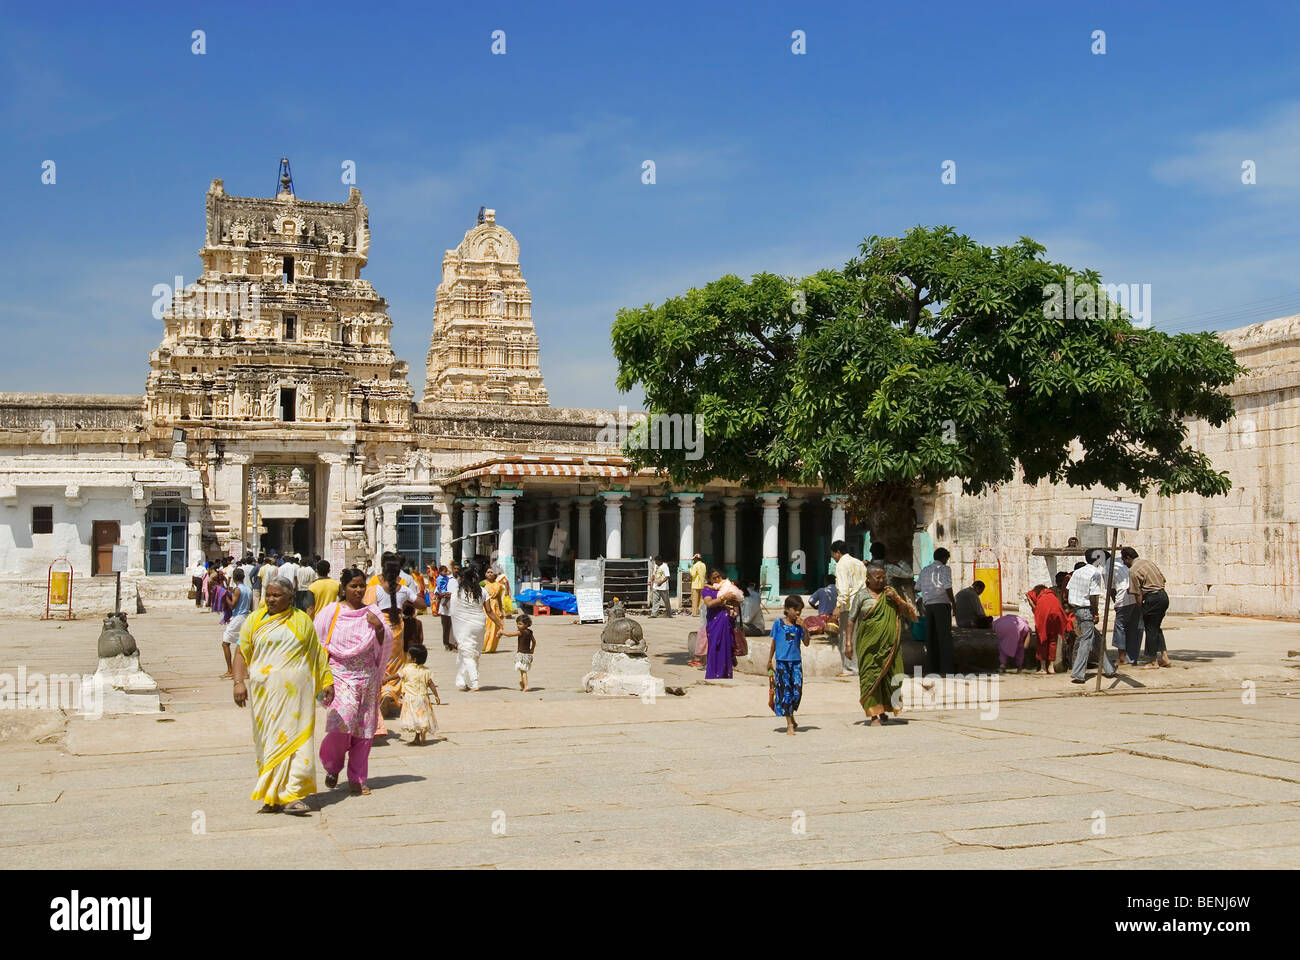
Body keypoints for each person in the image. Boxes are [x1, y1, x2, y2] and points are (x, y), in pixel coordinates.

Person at [232, 577, 333, 815]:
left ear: (290, 597)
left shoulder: (302, 622)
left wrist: (326, 681)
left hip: (297, 696)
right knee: (268, 743)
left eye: (276, 595)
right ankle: (272, 795)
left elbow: (317, 653)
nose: (270, 599)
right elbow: (240, 652)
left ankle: (292, 794)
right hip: (264, 695)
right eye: (268, 594)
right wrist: (238, 682)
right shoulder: (254, 621)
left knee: (296, 743)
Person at [316, 568, 391, 796]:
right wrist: (322, 679)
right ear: (344, 588)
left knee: (364, 729)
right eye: (353, 586)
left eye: (361, 586)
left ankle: (357, 778)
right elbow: (318, 642)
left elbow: (386, 641)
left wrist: (377, 626)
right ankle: (332, 764)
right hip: (340, 675)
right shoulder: (332, 611)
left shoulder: (373, 611)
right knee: (342, 722)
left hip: (367, 676)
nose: (358, 590)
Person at [848, 563, 916, 726]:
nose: (881, 580)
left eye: (883, 577)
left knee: (891, 677)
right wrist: (848, 643)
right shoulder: (861, 596)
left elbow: (911, 614)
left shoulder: (890, 593)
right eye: (877, 577)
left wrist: (896, 598)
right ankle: (873, 715)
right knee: (869, 677)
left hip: (889, 646)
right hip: (868, 646)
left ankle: (883, 708)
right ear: (868, 579)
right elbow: (851, 620)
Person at [374, 558, 424, 724]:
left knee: (380, 662)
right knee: (396, 664)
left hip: (380, 628)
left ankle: (382, 693)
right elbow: (422, 605)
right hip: (397, 629)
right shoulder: (403, 590)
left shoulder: (376, 590)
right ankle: (390, 692)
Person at [451, 565, 503, 691]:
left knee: (467, 653)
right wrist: (500, 624)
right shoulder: (482, 591)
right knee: (471, 652)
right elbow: (489, 611)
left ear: (463, 578)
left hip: (464, 626)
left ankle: (474, 682)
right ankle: (461, 682)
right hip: (479, 625)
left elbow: (452, 612)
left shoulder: (458, 592)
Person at [1067, 556, 1115, 683]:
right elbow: (1093, 596)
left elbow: (1069, 590)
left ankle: (1109, 669)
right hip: (1086, 609)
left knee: (1097, 639)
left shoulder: (1078, 572)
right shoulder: (1095, 573)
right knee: (1086, 641)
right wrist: (1096, 613)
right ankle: (1078, 673)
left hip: (1077, 609)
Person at [1123, 547, 1171, 668]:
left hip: (1152, 599)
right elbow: (1163, 579)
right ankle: (1165, 657)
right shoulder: (1148, 563)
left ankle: (1153, 661)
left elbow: (1137, 593)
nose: (1124, 563)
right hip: (1163, 596)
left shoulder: (1133, 570)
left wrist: (1141, 608)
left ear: (1128, 558)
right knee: (1155, 628)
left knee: (1150, 629)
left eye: (1124, 560)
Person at [768, 595, 809, 735]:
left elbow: (807, 643)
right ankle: (789, 724)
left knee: (796, 692)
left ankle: (792, 717)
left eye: (800, 610)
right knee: (785, 692)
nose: (797, 613)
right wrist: (769, 661)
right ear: (787, 609)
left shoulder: (799, 627)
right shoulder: (778, 624)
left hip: (796, 663)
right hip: (782, 664)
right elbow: (773, 643)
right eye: (794, 609)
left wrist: (805, 628)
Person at [829, 540, 867, 677]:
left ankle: (850, 668)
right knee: (860, 636)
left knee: (847, 636)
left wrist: (838, 606)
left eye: (833, 554)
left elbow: (844, 589)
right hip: (862, 603)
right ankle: (861, 666)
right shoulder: (859, 563)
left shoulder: (841, 565)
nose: (833, 557)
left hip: (849, 605)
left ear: (837, 553)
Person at [918, 547, 957, 675]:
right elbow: (947, 586)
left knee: (931, 637)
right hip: (941, 605)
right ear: (944, 558)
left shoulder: (924, 570)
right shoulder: (945, 569)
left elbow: (917, 587)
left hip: (928, 606)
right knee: (944, 637)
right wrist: (954, 603)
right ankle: (946, 668)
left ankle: (931, 667)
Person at [398, 644, 439, 745]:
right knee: (421, 716)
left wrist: (385, 679)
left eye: (408, 656)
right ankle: (418, 737)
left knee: (414, 718)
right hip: (423, 698)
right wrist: (436, 696)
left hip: (411, 699)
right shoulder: (426, 671)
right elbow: (431, 684)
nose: (407, 657)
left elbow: (396, 676)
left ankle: (420, 735)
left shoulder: (407, 669)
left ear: (413, 659)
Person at [700, 568, 736, 679]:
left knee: (726, 648)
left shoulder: (726, 587)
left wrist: (732, 598)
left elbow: (736, 603)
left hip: (726, 622)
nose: (716, 579)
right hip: (715, 622)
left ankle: (725, 674)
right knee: (715, 647)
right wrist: (723, 598)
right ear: (709, 579)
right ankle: (713, 675)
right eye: (713, 578)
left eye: (718, 577)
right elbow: (709, 603)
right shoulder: (707, 590)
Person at [1109, 552, 1143, 666]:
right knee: (1134, 628)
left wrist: (1116, 603)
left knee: (1120, 627)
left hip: (1123, 599)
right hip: (1136, 596)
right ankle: (1132, 658)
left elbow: (1111, 589)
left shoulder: (1108, 566)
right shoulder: (1124, 563)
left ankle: (1122, 657)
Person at [220, 567, 254, 679]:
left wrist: (225, 597)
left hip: (238, 617)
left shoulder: (237, 589)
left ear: (234, 578)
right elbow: (251, 607)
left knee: (225, 643)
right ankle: (245, 671)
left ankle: (230, 670)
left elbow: (233, 605)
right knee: (242, 644)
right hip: (246, 617)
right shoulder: (249, 589)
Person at [1026, 584, 1065, 674]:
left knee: (1042, 639)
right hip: (1056, 615)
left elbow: (1035, 608)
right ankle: (1051, 667)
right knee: (1053, 640)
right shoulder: (1051, 595)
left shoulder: (1035, 594)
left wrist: (1030, 601)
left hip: (1044, 614)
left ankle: (1043, 668)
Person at [504, 613, 537, 691]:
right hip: (528, 654)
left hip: (522, 654)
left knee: (523, 671)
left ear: (526, 624)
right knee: (523, 670)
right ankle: (523, 683)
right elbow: (534, 642)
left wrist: (502, 632)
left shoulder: (521, 632)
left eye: (520, 624)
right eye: (517, 624)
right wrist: (532, 650)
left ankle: (526, 686)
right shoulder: (530, 632)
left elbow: (509, 635)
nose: (518, 626)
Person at [481, 569, 507, 654]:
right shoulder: (482, 584)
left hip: (495, 608)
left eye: (491, 572)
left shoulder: (498, 585)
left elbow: (499, 599)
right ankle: (483, 646)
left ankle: (491, 647)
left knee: (494, 627)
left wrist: (501, 610)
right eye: (488, 572)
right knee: (485, 627)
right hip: (485, 607)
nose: (490, 574)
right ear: (485, 574)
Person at [435, 565, 455, 651]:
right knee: (446, 626)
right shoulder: (444, 579)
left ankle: (453, 643)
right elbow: (437, 591)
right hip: (445, 607)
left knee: (453, 626)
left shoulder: (455, 580)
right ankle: (446, 643)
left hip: (455, 607)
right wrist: (442, 594)